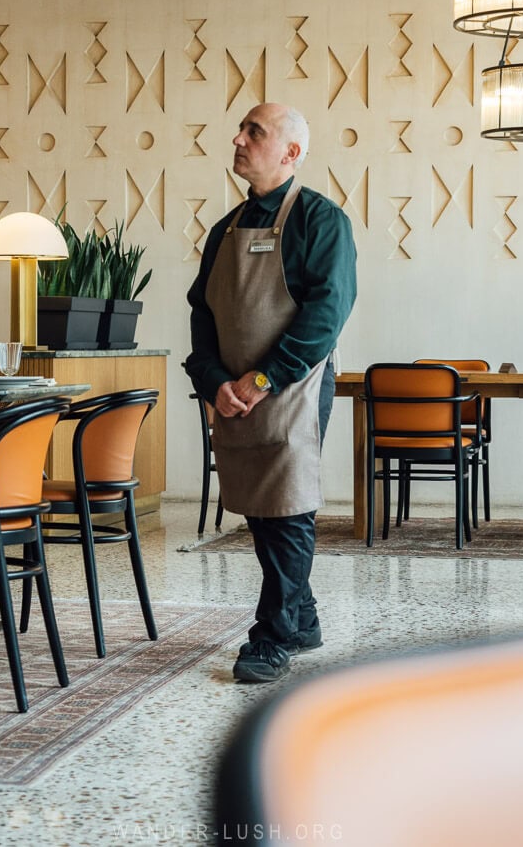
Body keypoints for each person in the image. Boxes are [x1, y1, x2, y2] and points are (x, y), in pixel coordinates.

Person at [185, 103, 357, 683]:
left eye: (254, 132)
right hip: (233, 392)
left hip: (293, 386)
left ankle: (272, 635)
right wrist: (213, 382)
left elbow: (325, 315)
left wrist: (260, 380)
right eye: (240, 129)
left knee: (285, 509)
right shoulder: (223, 229)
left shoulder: (321, 220)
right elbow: (201, 315)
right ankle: (301, 615)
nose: (237, 138)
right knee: (260, 510)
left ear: (291, 152)